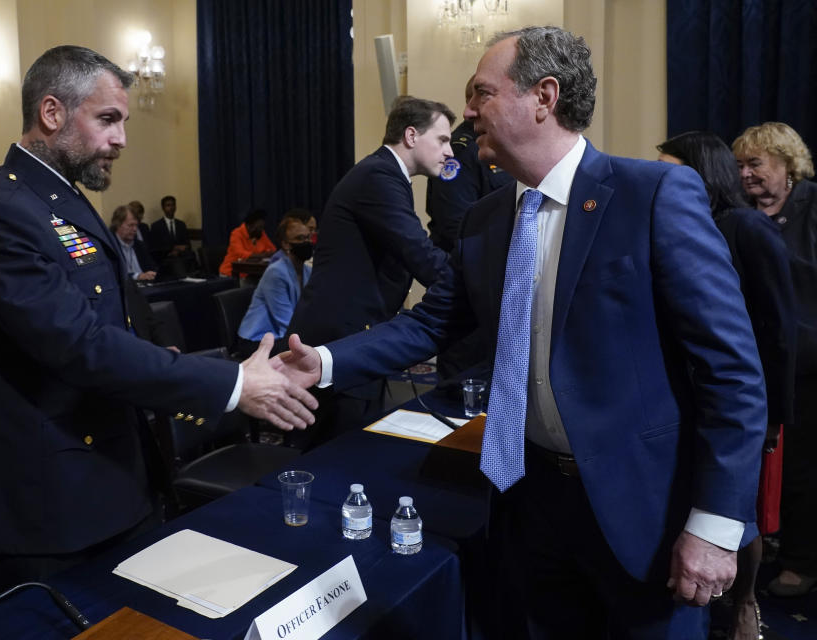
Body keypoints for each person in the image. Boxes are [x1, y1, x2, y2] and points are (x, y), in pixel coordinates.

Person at [275, 27, 766, 638]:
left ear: (544, 96)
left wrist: (717, 523)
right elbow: (433, 321)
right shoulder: (486, 218)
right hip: (525, 502)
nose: (468, 114)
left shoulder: (653, 195)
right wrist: (319, 362)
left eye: (481, 93)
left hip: (640, 512)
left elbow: (732, 373)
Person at [0, 45, 316, 593]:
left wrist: (166, 360)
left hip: (113, 470)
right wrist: (235, 383)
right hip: (51, 495)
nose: (121, 139)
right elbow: (80, 345)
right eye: (107, 119)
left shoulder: (55, 199)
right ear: (52, 114)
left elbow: (111, 320)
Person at [658, 130, 796, 639]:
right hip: (689, 395)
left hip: (747, 403)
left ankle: (745, 605)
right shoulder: (684, 223)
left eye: (674, 168)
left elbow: (779, 330)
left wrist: (773, 417)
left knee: (744, 511)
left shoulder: (747, 227)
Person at [287, 95, 454, 448]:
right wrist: (477, 288)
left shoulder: (386, 174)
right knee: (330, 456)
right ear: (411, 136)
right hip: (338, 338)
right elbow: (420, 254)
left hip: (354, 333)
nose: (449, 151)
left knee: (347, 452)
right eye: (442, 139)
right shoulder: (379, 176)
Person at [733, 122, 817, 598]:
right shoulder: (740, 215)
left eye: (756, 164)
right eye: (740, 166)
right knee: (764, 467)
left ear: (787, 164)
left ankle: (803, 559)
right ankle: (771, 543)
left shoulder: (813, 206)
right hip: (758, 365)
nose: (746, 175)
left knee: (805, 466)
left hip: (809, 367)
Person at [425, 75, 515, 384]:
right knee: (464, 386)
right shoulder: (462, 151)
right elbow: (454, 223)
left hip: (499, 286)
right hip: (468, 284)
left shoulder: (502, 151)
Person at [237, 215, 313, 357]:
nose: (307, 242)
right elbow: (287, 323)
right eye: (300, 239)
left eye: (308, 238)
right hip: (258, 341)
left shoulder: (308, 271)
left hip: (285, 336)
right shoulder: (276, 272)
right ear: (285, 244)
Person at [218, 208, 276, 277]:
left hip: (250, 274)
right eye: (259, 227)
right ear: (249, 226)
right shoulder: (236, 234)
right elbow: (241, 254)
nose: (262, 230)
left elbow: (273, 249)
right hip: (230, 274)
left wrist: (265, 253)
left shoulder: (260, 233)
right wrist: (262, 255)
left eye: (262, 227)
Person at [148, 195, 196, 275]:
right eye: (168, 205)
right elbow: (155, 248)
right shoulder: (156, 226)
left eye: (173, 205)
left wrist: (178, 251)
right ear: (163, 208)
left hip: (181, 258)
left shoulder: (181, 224)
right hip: (165, 259)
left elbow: (188, 244)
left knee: (191, 256)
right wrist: (172, 249)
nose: (171, 207)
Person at [110, 204, 157, 281]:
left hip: (145, 288)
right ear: (118, 224)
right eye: (131, 225)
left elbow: (152, 268)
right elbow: (114, 275)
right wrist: (137, 276)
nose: (135, 229)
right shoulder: (110, 246)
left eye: (136, 225)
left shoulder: (140, 245)